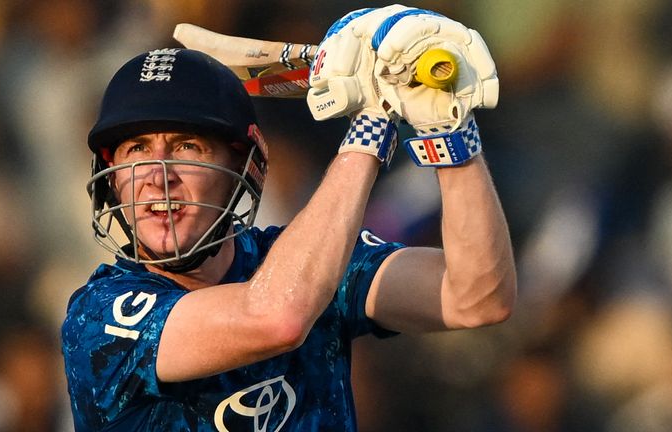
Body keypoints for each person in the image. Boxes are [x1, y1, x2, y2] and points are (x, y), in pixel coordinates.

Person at [62, 5, 516, 431]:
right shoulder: (99, 318)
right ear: (111, 176)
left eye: (187, 147)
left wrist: (449, 129)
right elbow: (277, 318)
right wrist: (372, 124)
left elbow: (477, 297)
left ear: (247, 168)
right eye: (137, 149)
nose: (159, 176)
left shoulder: (310, 262)